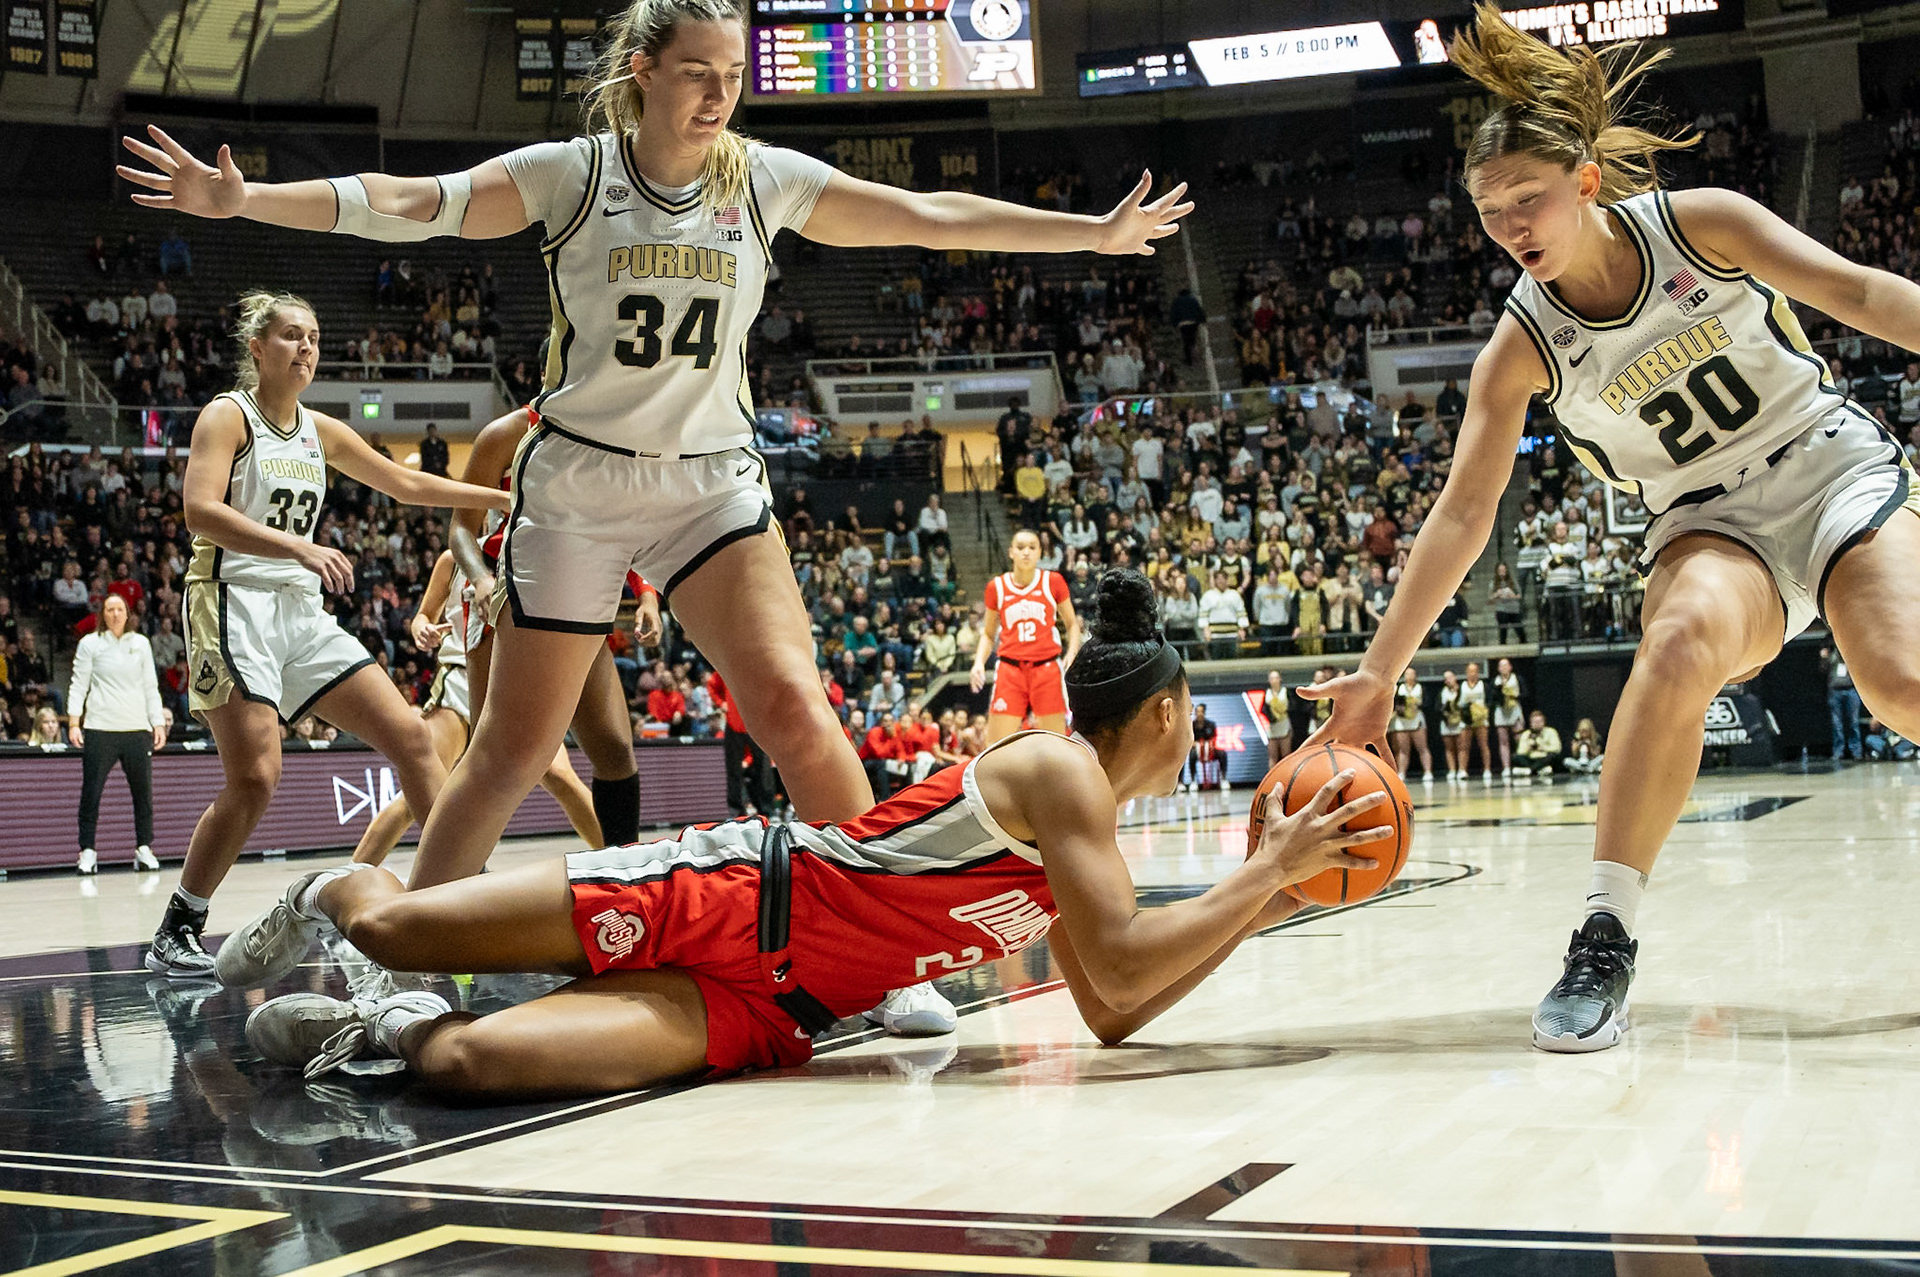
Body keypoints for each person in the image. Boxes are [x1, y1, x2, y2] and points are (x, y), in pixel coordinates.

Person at [119, 0, 1187, 1036]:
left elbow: (926, 215)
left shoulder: (763, 180)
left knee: (795, 706)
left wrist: (1088, 236)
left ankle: (874, 959)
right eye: (699, 73)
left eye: (735, 75)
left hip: (711, 479)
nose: (722, 94)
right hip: (580, 484)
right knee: (513, 744)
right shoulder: (575, 175)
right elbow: (410, 199)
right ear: (642, 70)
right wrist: (245, 200)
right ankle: (409, 955)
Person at [1301, 2, 1920, 1053]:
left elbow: (1856, 289)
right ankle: (1604, 936)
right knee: (1675, 641)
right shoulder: (1523, 344)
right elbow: (1463, 511)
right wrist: (1379, 670)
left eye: (1529, 201)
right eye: (1492, 213)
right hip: (1710, 523)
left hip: (1828, 467)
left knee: (1901, 682)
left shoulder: (1702, 224)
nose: (1512, 230)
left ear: (1586, 181)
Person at [214, 570, 1388, 1097]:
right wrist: (1271, 867)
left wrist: (1268, 893)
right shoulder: (1059, 769)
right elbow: (1131, 958)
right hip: (728, 892)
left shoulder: (1089, 847)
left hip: (773, 1006)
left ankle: (385, 1023)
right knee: (409, 922)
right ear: (1172, 710)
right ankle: (330, 893)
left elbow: (1114, 1006)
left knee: (472, 1060)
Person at [145, 291, 509, 979]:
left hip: (299, 610)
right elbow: (199, 511)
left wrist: (492, 498)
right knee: (256, 776)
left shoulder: (320, 428)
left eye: (313, 336)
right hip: (230, 600)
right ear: (256, 347)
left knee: (409, 736)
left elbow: (401, 482)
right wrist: (298, 547)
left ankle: (462, 896)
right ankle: (179, 923)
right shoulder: (229, 415)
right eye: (290, 336)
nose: (305, 348)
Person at [447, 408, 649, 852]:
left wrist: (647, 594)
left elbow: (629, 526)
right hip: (504, 590)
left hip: (578, 593)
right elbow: (461, 530)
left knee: (614, 748)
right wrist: (481, 579)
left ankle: (627, 879)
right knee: (490, 762)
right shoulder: (503, 434)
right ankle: (454, 888)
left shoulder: (606, 433)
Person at [349, 550, 612, 865]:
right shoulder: (452, 558)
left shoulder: (526, 543)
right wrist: (421, 628)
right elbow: (424, 615)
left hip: (514, 679)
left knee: (559, 775)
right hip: (460, 679)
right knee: (422, 785)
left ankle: (623, 868)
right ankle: (346, 878)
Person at [68, 593, 167, 875]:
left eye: (119, 609)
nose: (114, 613)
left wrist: (157, 722)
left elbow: (151, 685)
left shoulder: (141, 643)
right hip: (100, 727)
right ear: (102, 614)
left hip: (137, 729)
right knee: (91, 793)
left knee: (143, 794)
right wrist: (74, 722)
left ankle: (144, 849)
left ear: (127, 613)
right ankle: (87, 852)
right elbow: (78, 684)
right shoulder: (90, 644)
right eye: (109, 609)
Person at [971, 529, 1082, 742]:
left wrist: (1072, 651)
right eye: (1020, 548)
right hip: (1010, 668)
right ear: (1011, 552)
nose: (1026, 553)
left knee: (1056, 743)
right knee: (994, 746)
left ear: (1040, 552)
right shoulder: (997, 587)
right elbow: (988, 633)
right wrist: (978, 662)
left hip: (1046, 667)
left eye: (1032, 547)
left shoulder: (1053, 581)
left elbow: (1072, 624)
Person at [1388, 666, 1433, 781]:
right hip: (1401, 721)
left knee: (1422, 747)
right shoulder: (1399, 688)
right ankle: (1401, 773)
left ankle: (1428, 772)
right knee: (1403, 750)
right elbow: (1392, 703)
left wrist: (1416, 705)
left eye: (1412, 674)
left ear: (1415, 676)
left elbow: (1428, 703)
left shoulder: (1420, 688)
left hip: (1416, 720)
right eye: (1407, 674)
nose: (1410, 676)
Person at [1822, 643, 1862, 760]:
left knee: (1854, 722)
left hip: (1851, 690)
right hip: (1835, 691)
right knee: (1836, 723)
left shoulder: (1851, 655)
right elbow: (1823, 669)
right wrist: (1824, 658)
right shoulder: (1832, 656)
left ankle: (1856, 751)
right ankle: (1838, 751)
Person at [1459, 660, 1493, 780]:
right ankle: (1462, 770)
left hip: (1480, 719)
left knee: (1483, 745)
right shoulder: (1462, 686)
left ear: (1478, 673)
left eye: (1474, 671)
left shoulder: (1483, 685)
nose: (1472, 673)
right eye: (1470, 671)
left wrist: (1482, 711)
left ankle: (1487, 769)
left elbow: (1489, 701)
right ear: (1466, 673)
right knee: (1464, 746)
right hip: (1466, 719)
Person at [1491, 656, 1524, 777]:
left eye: (1506, 665)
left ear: (1510, 667)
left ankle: (1521, 764)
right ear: (1498, 669)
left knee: (1519, 739)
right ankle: (1506, 767)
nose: (1504, 668)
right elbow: (1492, 699)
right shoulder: (1496, 681)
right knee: (1503, 742)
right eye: (1501, 666)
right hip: (1501, 712)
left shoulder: (1517, 678)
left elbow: (1525, 693)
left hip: (1515, 710)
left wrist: (1514, 696)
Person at [1436, 669, 1466, 781]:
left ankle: (1462, 770)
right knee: (1449, 748)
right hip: (1447, 723)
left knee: (1461, 747)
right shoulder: (1442, 692)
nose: (1448, 680)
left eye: (1450, 677)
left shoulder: (1462, 690)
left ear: (1455, 678)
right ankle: (1452, 770)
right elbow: (1438, 708)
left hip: (1460, 722)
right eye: (1446, 678)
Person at [1514, 709, 1563, 776]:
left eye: (1539, 722)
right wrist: (1528, 748)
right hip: (1531, 759)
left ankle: (1530, 770)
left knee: (1553, 756)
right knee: (1516, 757)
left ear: (1544, 722)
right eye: (1535, 722)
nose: (1537, 724)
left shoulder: (1551, 731)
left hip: (1544, 758)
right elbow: (1520, 752)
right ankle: (1539, 770)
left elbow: (1557, 748)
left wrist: (1542, 748)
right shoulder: (1526, 734)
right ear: (1531, 723)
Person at [1263, 669, 1293, 767]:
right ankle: (1271, 778)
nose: (1274, 680)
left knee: (1286, 755)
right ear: (1269, 680)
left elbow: (1292, 706)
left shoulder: (1285, 691)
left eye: (1276, 678)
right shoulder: (1266, 693)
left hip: (1284, 723)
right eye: (1272, 678)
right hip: (1272, 726)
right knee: (1273, 756)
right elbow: (1263, 709)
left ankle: (1287, 776)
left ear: (1280, 679)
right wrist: (1270, 717)